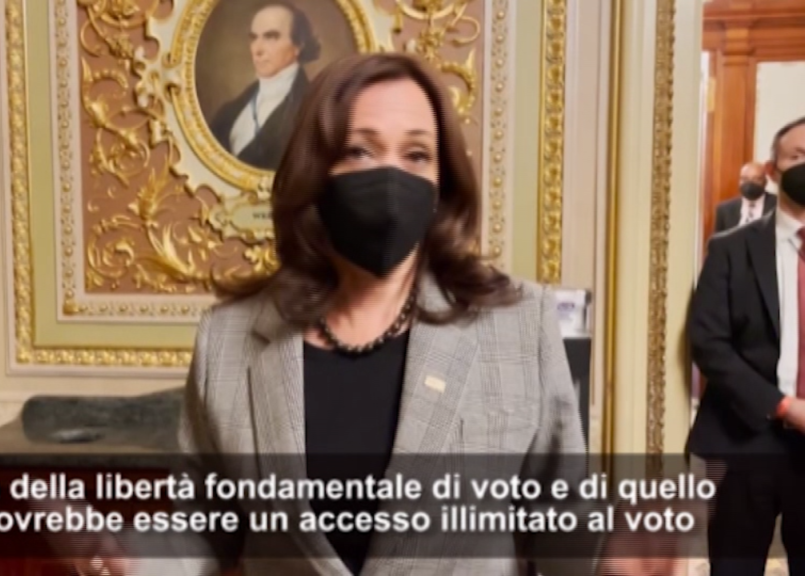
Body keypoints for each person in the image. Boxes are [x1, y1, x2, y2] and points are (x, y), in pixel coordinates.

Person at [42, 53, 685, 576]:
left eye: (416, 155)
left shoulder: (520, 324)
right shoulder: (228, 338)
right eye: (359, 150)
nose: (390, 177)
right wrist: (131, 559)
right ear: (314, 170)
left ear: (442, 182)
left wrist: (612, 554)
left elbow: (558, 515)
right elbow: (207, 526)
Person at [688, 115, 805, 576]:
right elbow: (708, 343)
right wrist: (783, 406)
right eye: (797, 156)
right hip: (745, 438)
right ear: (773, 170)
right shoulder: (730, 248)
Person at [208, 2, 317, 171]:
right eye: (253, 38)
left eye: (271, 37)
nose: (257, 50)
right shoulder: (230, 110)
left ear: (298, 45)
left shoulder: (314, 109)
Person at [713, 161, 777, 234]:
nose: (750, 183)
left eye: (756, 179)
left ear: (765, 182)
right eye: (744, 179)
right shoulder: (724, 209)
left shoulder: (778, 205)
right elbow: (719, 239)